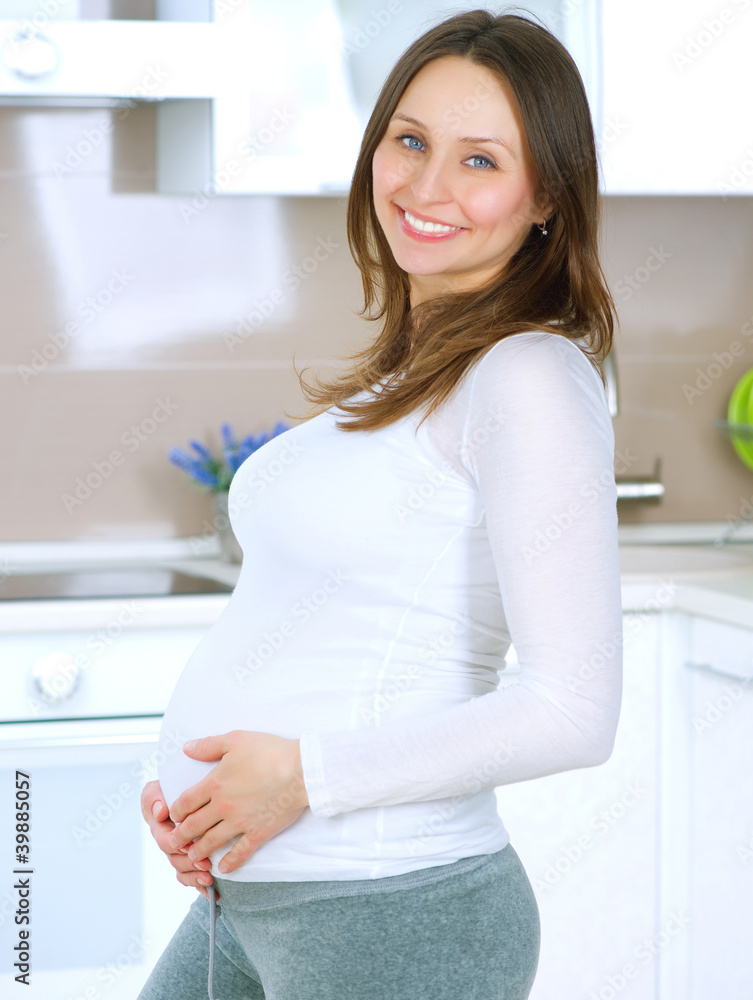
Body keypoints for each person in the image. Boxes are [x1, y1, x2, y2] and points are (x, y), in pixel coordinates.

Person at [138, 9, 623, 1000]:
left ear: (548, 199)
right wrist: (203, 800)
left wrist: (302, 776)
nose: (427, 185)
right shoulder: (409, 374)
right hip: (251, 896)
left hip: (395, 913)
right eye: (410, 140)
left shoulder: (527, 376)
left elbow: (575, 710)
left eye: (480, 159)